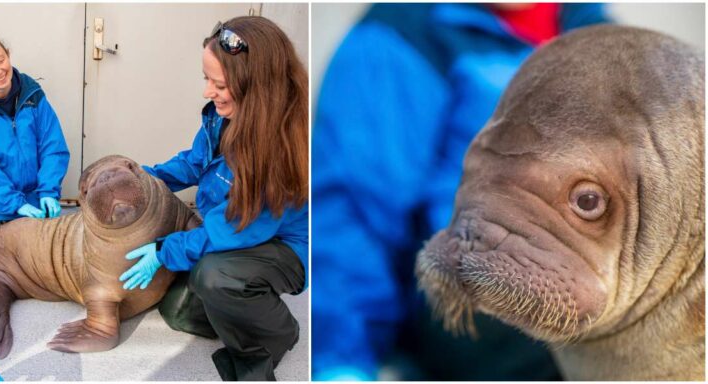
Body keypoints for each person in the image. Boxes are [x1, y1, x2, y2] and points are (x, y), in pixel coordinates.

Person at [312, 3, 609, 380]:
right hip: (482, 304)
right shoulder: (405, 33)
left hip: (602, 277)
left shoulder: (597, 35)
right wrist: (342, 362)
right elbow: (352, 211)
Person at [119, 16, 308, 381]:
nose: (207, 91)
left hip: (283, 246)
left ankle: (277, 336)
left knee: (213, 277)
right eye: (207, 79)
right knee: (178, 312)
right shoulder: (223, 117)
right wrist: (145, 179)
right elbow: (195, 162)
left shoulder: (281, 150)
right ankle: (247, 312)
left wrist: (163, 250)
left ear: (257, 87)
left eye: (219, 84)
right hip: (239, 229)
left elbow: (233, 228)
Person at [0, 32, 69, 232]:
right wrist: (15, 204)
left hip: (37, 201)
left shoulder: (32, 94)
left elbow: (53, 145)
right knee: (2, 262)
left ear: (8, 54)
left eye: (0, 60)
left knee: (38, 262)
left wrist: (49, 191)